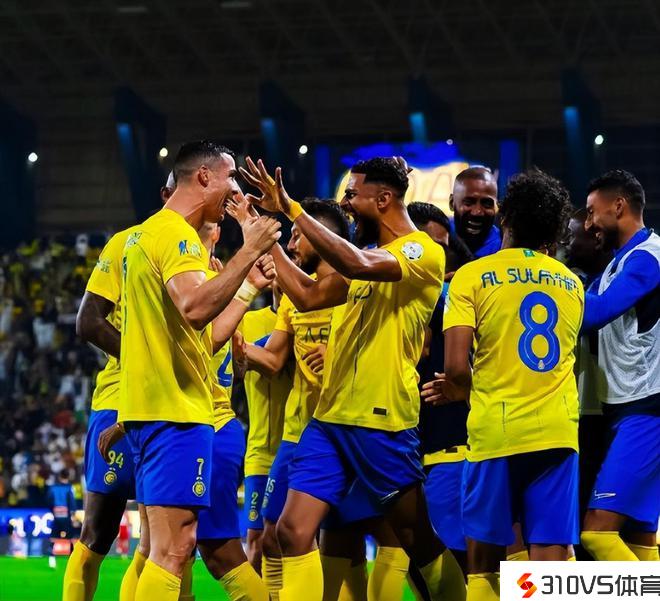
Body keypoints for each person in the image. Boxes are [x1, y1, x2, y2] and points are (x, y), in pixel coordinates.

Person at [240, 156, 464, 601]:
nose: (344, 205)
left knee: (415, 537)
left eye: (352, 195)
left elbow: (360, 263)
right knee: (290, 531)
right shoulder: (363, 259)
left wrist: (292, 209)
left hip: (382, 421)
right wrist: (262, 234)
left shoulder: (421, 251)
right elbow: (306, 296)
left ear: (383, 199)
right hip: (330, 418)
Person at [118, 140, 281, 601]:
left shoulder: (144, 234)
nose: (234, 192)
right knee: (174, 549)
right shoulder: (177, 236)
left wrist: (245, 285)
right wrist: (249, 251)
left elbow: (201, 339)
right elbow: (193, 308)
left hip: (151, 408)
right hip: (177, 412)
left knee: (168, 547)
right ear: (204, 177)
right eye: (230, 178)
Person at [424, 169, 582, 600]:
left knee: (484, 561)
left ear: (505, 218)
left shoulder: (472, 277)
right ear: (552, 229)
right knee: (550, 560)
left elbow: (456, 367)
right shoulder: (571, 283)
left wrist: (459, 390)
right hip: (558, 433)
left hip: (497, 431)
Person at [232, 198, 350, 601]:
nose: (293, 242)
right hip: (297, 433)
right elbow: (274, 358)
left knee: (352, 541)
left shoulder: (357, 288)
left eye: (299, 234)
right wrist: (237, 346)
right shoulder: (294, 304)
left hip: (348, 429)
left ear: (325, 237)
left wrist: (339, 354)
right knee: (273, 536)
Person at [579, 170, 660, 562]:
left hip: (647, 410)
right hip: (627, 409)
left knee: (597, 532)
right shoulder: (616, 266)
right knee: (640, 541)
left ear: (618, 206)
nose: (588, 223)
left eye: (592, 212)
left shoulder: (649, 256)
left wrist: (539, 289)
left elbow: (595, 313)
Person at [407, 202, 471, 573]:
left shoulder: (445, 296)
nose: (437, 256)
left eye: (443, 249)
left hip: (450, 452)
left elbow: (421, 350)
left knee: (456, 563)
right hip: (418, 453)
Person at [564, 208, 613, 559]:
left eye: (571, 236)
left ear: (596, 238)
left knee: (598, 528)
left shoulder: (613, 288)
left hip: (603, 417)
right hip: (580, 415)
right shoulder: (573, 282)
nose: (564, 244)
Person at [235, 281, 292, 573]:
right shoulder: (248, 320)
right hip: (259, 451)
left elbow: (271, 363)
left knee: (298, 537)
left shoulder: (304, 321)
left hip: (296, 447)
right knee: (256, 539)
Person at [449, 167, 500, 258]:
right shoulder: (435, 239)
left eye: (487, 204)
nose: (477, 212)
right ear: (452, 203)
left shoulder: (504, 247)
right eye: (468, 203)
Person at [48, 469, 77, 569]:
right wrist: (73, 514)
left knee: (53, 538)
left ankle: (51, 559)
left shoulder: (53, 488)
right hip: (66, 516)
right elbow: (71, 501)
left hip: (56, 515)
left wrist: (53, 511)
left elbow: (49, 500)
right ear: (68, 477)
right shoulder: (69, 488)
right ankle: (71, 561)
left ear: (60, 476)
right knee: (70, 539)